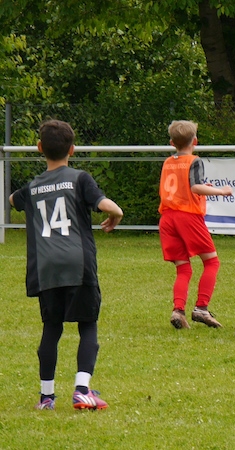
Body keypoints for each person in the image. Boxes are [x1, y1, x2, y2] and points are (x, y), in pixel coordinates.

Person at [9, 120, 124, 410]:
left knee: (51, 327)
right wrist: (116, 214)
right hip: (77, 263)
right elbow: (108, 206)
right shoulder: (79, 179)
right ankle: (82, 390)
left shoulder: (32, 186)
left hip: (46, 267)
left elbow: (12, 199)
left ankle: (46, 397)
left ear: (39, 148)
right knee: (87, 324)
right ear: (72, 149)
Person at [158, 120, 233, 329]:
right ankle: (201, 308)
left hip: (167, 218)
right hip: (187, 216)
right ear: (195, 141)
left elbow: (183, 185)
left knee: (183, 268)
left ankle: (178, 311)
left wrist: (200, 186)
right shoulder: (194, 160)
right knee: (211, 262)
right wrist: (221, 191)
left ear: (172, 143)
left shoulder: (167, 162)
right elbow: (195, 188)